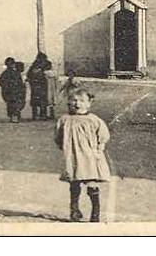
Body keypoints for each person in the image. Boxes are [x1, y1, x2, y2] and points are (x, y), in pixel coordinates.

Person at [55, 87, 110, 223]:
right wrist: (66, 148)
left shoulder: (94, 120)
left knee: (92, 184)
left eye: (81, 101)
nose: (77, 104)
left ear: (88, 103)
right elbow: (58, 137)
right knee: (74, 183)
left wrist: (99, 148)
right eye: (73, 101)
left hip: (90, 157)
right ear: (69, 102)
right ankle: (74, 211)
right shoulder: (64, 120)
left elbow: (103, 135)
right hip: (73, 157)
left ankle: (95, 214)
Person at [0, 57, 26, 123]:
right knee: (16, 105)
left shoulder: (6, 73)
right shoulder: (15, 73)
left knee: (12, 105)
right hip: (14, 92)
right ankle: (15, 117)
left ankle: (13, 117)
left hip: (9, 92)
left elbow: (0, 81)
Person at [27, 52, 53, 121]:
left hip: (35, 86)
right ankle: (42, 115)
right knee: (42, 101)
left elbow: (28, 76)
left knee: (35, 101)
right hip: (42, 86)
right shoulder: (45, 65)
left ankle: (35, 115)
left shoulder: (33, 66)